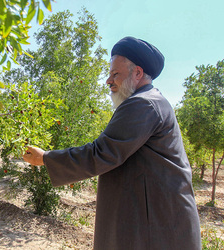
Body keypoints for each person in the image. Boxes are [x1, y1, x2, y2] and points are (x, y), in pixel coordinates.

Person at [23, 36, 201, 250]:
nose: (108, 81)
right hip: (154, 223)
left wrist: (46, 158)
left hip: (155, 229)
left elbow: (102, 153)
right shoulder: (150, 102)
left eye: (115, 74)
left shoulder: (143, 104)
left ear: (138, 73)